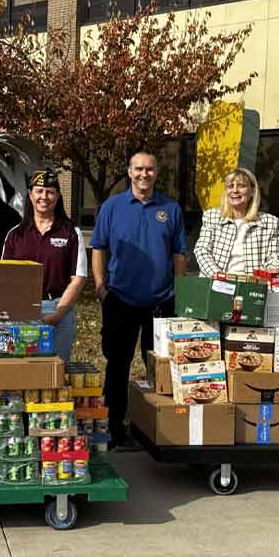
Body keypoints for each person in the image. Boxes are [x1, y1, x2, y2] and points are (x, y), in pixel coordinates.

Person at [90, 151, 188, 447]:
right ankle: (115, 426)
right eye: (138, 169)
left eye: (149, 169)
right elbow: (98, 248)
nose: (144, 175)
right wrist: (100, 288)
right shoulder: (112, 206)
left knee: (158, 367)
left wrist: (179, 292)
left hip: (161, 302)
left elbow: (179, 254)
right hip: (120, 299)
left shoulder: (170, 209)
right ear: (129, 172)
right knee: (117, 365)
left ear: (156, 173)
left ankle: (153, 427)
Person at [2, 170, 87, 362]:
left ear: (57, 196)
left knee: (56, 373)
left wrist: (57, 314)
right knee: (22, 372)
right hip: (21, 312)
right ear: (30, 195)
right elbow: (3, 277)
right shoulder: (15, 235)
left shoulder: (71, 232)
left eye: (50, 192)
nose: (44, 197)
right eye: (39, 191)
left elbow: (79, 277)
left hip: (59, 310)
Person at [194, 168, 279, 276]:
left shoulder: (270, 222)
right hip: (215, 283)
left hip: (250, 286)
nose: (234, 190)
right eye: (230, 186)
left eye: (241, 186)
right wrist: (217, 275)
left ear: (252, 191)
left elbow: (272, 260)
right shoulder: (211, 217)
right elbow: (202, 250)